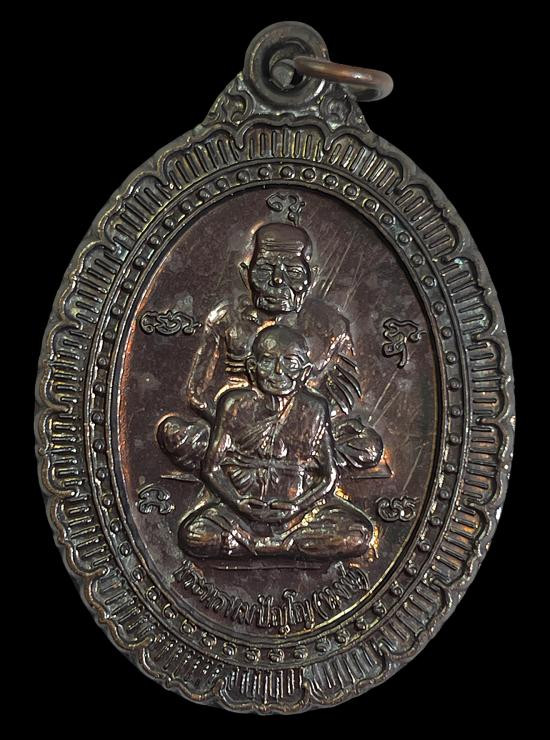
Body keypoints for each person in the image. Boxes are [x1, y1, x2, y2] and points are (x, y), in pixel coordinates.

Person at [158, 221, 382, 476]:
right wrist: (238, 427)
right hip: (234, 429)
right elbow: (197, 393)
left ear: (312, 276)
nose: (278, 280)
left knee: (368, 446)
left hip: (307, 432)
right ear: (245, 273)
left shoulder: (330, 325)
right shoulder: (226, 319)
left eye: (293, 272)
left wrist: (301, 429)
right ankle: (284, 461)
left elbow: (344, 397)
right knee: (175, 434)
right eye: (265, 270)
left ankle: (264, 459)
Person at [178, 325, 374, 559]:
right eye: (268, 362)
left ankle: (265, 546)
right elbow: (211, 468)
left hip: (297, 513)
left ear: (304, 372)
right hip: (239, 511)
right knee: (194, 535)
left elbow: (328, 476)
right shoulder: (234, 404)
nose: (278, 371)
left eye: (290, 362)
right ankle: (284, 546)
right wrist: (238, 502)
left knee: (358, 535)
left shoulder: (314, 408)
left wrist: (298, 506)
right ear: (252, 367)